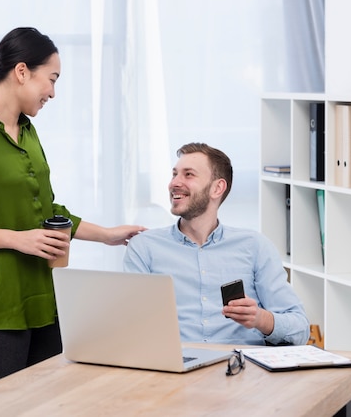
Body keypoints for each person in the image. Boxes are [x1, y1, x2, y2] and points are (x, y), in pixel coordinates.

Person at [0, 27, 145, 388]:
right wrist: (18, 240)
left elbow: (46, 209)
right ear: (22, 72)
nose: (53, 92)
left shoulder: (28, 133)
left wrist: (106, 235)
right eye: (52, 79)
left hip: (46, 301)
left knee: (51, 405)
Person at [123, 142, 309, 346]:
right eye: (174, 174)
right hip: (175, 369)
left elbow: (300, 329)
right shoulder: (144, 247)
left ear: (217, 188)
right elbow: (131, 327)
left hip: (244, 368)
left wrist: (260, 319)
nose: (174, 183)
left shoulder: (254, 246)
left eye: (188, 174)